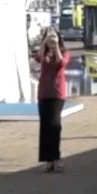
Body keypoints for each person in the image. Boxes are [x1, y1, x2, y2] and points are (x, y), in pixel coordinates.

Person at [35, 26, 68, 173]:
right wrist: (45, 42)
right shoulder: (44, 53)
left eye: (54, 36)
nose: (51, 39)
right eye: (49, 36)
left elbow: (61, 62)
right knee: (45, 126)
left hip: (57, 93)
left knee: (55, 125)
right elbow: (37, 57)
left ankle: (56, 158)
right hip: (44, 93)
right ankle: (48, 160)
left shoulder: (64, 52)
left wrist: (56, 47)